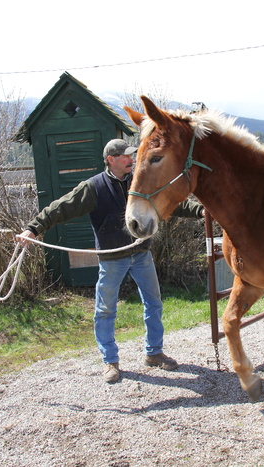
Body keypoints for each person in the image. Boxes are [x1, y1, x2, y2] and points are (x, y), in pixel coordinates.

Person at [18, 139, 203, 384]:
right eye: (125, 156)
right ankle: (110, 362)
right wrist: (33, 229)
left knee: (154, 304)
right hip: (112, 260)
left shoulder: (140, 181)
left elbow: (171, 202)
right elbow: (60, 208)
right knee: (105, 311)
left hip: (141, 254)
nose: (131, 159)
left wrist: (201, 211)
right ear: (110, 160)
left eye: (131, 155)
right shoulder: (93, 187)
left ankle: (154, 353)